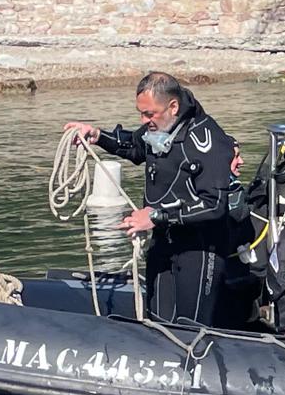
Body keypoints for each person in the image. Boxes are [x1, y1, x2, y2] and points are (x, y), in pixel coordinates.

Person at [64, 71, 235, 325]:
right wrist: (98, 136)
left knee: (190, 328)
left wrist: (156, 216)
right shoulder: (160, 128)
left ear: (173, 107)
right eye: (141, 113)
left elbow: (214, 205)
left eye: (149, 114)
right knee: (157, 322)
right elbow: (135, 146)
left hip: (200, 251)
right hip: (163, 244)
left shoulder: (207, 140)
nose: (144, 121)